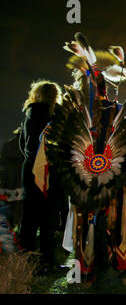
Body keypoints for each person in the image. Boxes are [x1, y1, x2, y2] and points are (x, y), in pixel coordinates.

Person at [41, 33, 126, 285]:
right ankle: (125, 270)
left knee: (86, 223)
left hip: (84, 182)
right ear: (103, 87)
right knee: (116, 222)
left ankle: (87, 272)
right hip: (113, 180)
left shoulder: (74, 114)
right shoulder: (115, 110)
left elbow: (53, 147)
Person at [19, 80, 62, 273]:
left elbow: (23, 144)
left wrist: (32, 159)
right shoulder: (57, 117)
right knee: (48, 219)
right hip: (51, 171)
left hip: (30, 170)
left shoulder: (29, 114)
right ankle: (47, 261)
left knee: (29, 218)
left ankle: (26, 261)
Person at [0, 127, 24, 228]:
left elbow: (3, 159)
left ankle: (10, 224)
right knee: (19, 204)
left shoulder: (7, 145)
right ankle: (16, 224)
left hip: (8, 179)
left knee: (9, 203)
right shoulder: (24, 145)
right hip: (19, 178)